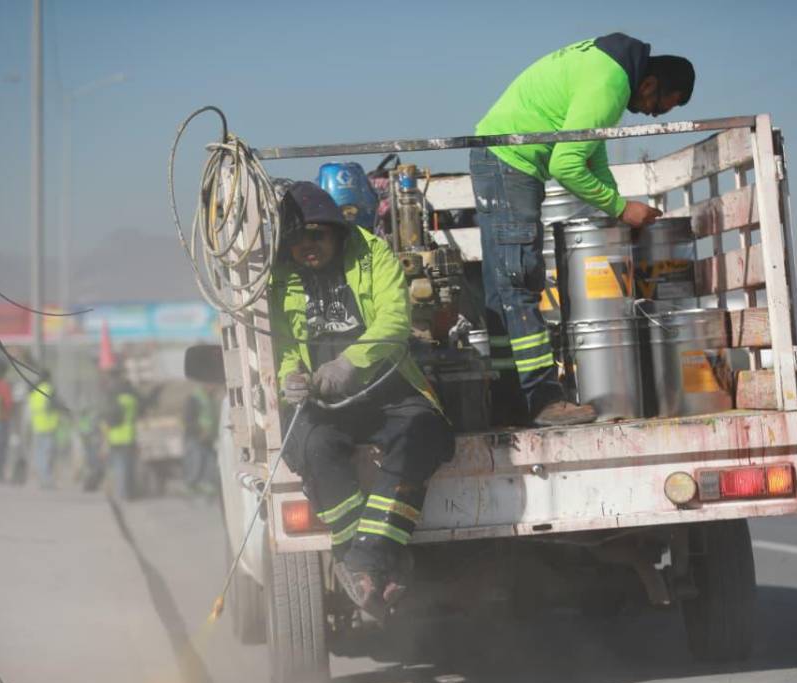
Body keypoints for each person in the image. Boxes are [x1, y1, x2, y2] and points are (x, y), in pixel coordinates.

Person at [471, 33, 695, 426]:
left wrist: (615, 207)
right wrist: (622, 210)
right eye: (660, 105)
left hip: (499, 158)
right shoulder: (609, 84)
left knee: (502, 291)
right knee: (518, 285)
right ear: (649, 84)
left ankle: (510, 403)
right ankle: (543, 402)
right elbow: (566, 165)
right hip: (511, 163)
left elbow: (593, 156)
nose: (653, 115)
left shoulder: (605, 70)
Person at [270, 182, 455, 615]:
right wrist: (291, 378)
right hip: (321, 402)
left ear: (336, 231)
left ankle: (364, 561)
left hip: (382, 385)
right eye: (297, 239)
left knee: (422, 429)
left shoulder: (372, 253)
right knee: (315, 447)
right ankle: (369, 565)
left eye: (316, 235)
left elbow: (395, 319)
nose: (307, 247)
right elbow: (281, 343)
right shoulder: (279, 275)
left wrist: (351, 362)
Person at [103, 367, 139, 501]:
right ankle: (127, 493)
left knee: (118, 467)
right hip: (128, 436)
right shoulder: (131, 400)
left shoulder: (114, 400)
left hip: (115, 437)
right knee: (127, 467)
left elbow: (109, 419)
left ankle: (121, 493)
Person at [182, 382, 217, 494]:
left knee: (210, 462)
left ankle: (207, 485)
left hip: (208, 438)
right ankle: (191, 485)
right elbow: (188, 419)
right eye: (211, 384)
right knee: (196, 462)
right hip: (196, 437)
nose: (214, 387)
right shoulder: (194, 399)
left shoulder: (210, 398)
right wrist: (199, 431)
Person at [28, 369, 61, 489]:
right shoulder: (49, 389)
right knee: (48, 455)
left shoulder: (34, 391)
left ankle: (42, 479)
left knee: (39, 455)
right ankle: (47, 481)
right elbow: (56, 405)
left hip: (37, 427)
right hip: (49, 426)